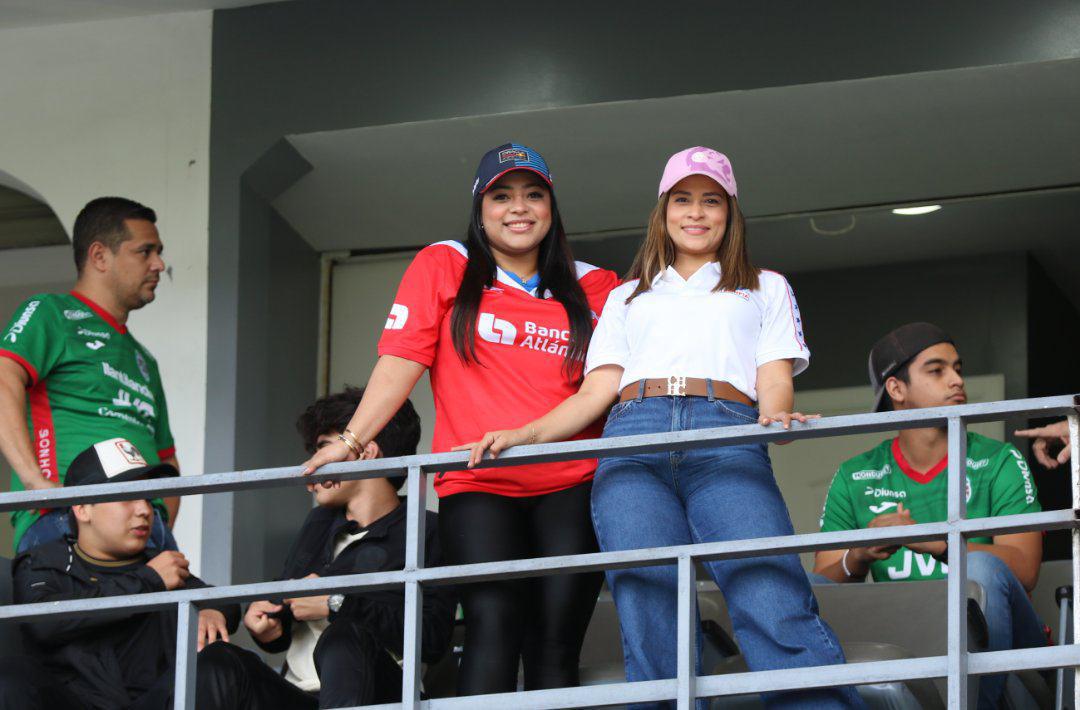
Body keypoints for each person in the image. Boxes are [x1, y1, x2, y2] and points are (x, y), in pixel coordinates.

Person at [459, 147, 861, 709]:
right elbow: (596, 393)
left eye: (711, 200)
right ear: (663, 211)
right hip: (633, 440)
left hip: (725, 435)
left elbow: (773, 378)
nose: (696, 213)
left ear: (730, 212)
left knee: (768, 592)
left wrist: (776, 415)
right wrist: (523, 435)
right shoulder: (627, 295)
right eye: (683, 200)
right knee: (650, 611)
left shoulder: (765, 286)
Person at [302, 144, 620, 696]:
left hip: (573, 478)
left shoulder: (597, 285)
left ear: (551, 206)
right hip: (478, 479)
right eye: (501, 195)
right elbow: (403, 358)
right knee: (492, 630)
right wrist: (352, 442)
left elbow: (607, 388)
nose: (518, 208)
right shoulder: (445, 263)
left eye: (533, 195)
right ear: (480, 207)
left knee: (556, 642)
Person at [814, 322, 1044, 710]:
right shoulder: (855, 475)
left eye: (958, 368)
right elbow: (821, 582)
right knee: (801, 587)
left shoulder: (999, 460)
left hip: (1001, 660)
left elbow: (1024, 569)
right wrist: (859, 555)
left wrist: (938, 542)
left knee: (985, 568)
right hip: (902, 644)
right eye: (937, 371)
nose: (956, 380)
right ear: (897, 389)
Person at [235, 388, 455, 708]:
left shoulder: (427, 530)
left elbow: (433, 637)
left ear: (365, 451)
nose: (313, 465)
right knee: (221, 661)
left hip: (380, 693)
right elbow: (293, 600)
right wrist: (270, 625)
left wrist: (337, 603)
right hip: (299, 694)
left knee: (346, 635)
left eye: (324, 449)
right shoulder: (318, 522)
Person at [0, 439, 238, 710]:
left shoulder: (160, 564)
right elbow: (43, 623)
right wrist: (149, 581)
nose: (145, 510)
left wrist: (211, 611)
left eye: (148, 497)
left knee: (226, 660)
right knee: (8, 679)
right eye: (127, 496)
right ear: (82, 508)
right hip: (72, 704)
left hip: (155, 703)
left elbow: (224, 601)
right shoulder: (44, 562)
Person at [0, 196, 179, 553]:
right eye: (145, 252)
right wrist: (36, 482)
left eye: (159, 251)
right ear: (99, 256)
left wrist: (158, 520)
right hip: (65, 518)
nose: (159, 264)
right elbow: (3, 378)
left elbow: (167, 458)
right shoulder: (51, 312)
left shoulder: (144, 358)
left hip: (145, 532)